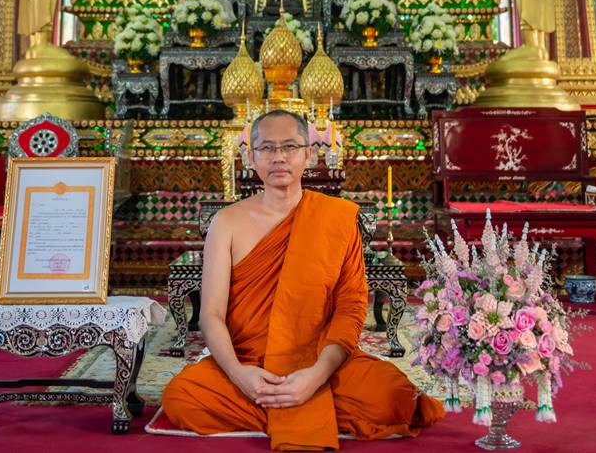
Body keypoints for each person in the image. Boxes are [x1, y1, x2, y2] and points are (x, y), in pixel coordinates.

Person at [162, 109, 444, 449]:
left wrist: (316, 375)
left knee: (396, 398)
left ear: (309, 154)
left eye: (290, 146)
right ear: (251, 157)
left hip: (320, 360)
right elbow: (211, 315)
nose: (279, 157)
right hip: (252, 362)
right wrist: (241, 375)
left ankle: (290, 401)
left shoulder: (337, 218)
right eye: (267, 148)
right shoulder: (227, 223)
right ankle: (292, 404)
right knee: (181, 398)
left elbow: (351, 308)